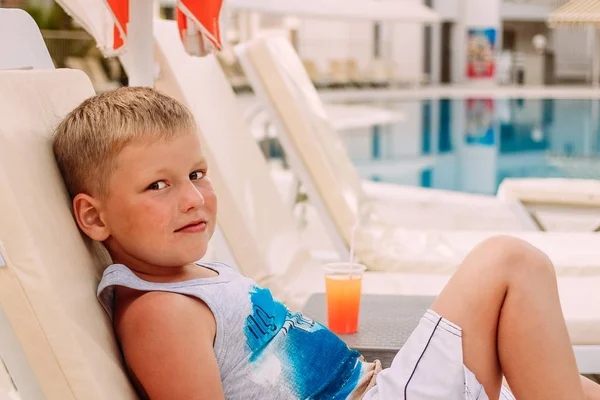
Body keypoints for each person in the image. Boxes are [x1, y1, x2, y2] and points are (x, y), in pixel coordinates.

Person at [52, 87, 600, 400]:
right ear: (94, 217)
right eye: (159, 185)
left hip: (377, 386)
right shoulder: (158, 315)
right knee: (509, 261)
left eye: (196, 173)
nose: (193, 198)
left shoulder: (185, 278)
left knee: (574, 386)